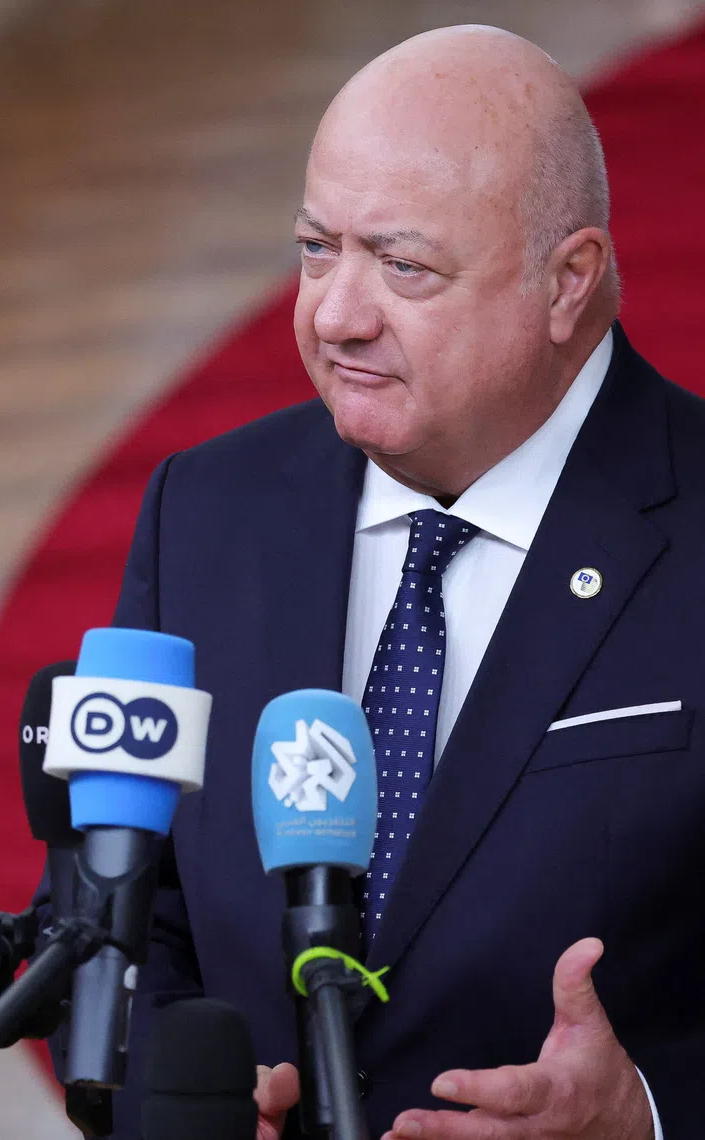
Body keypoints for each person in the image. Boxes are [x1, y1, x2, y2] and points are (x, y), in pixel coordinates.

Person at [44, 23, 705, 1139]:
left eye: (404, 266)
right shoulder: (207, 512)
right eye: (316, 249)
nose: (336, 315)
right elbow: (109, 912)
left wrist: (646, 1115)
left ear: (570, 281)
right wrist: (173, 1097)